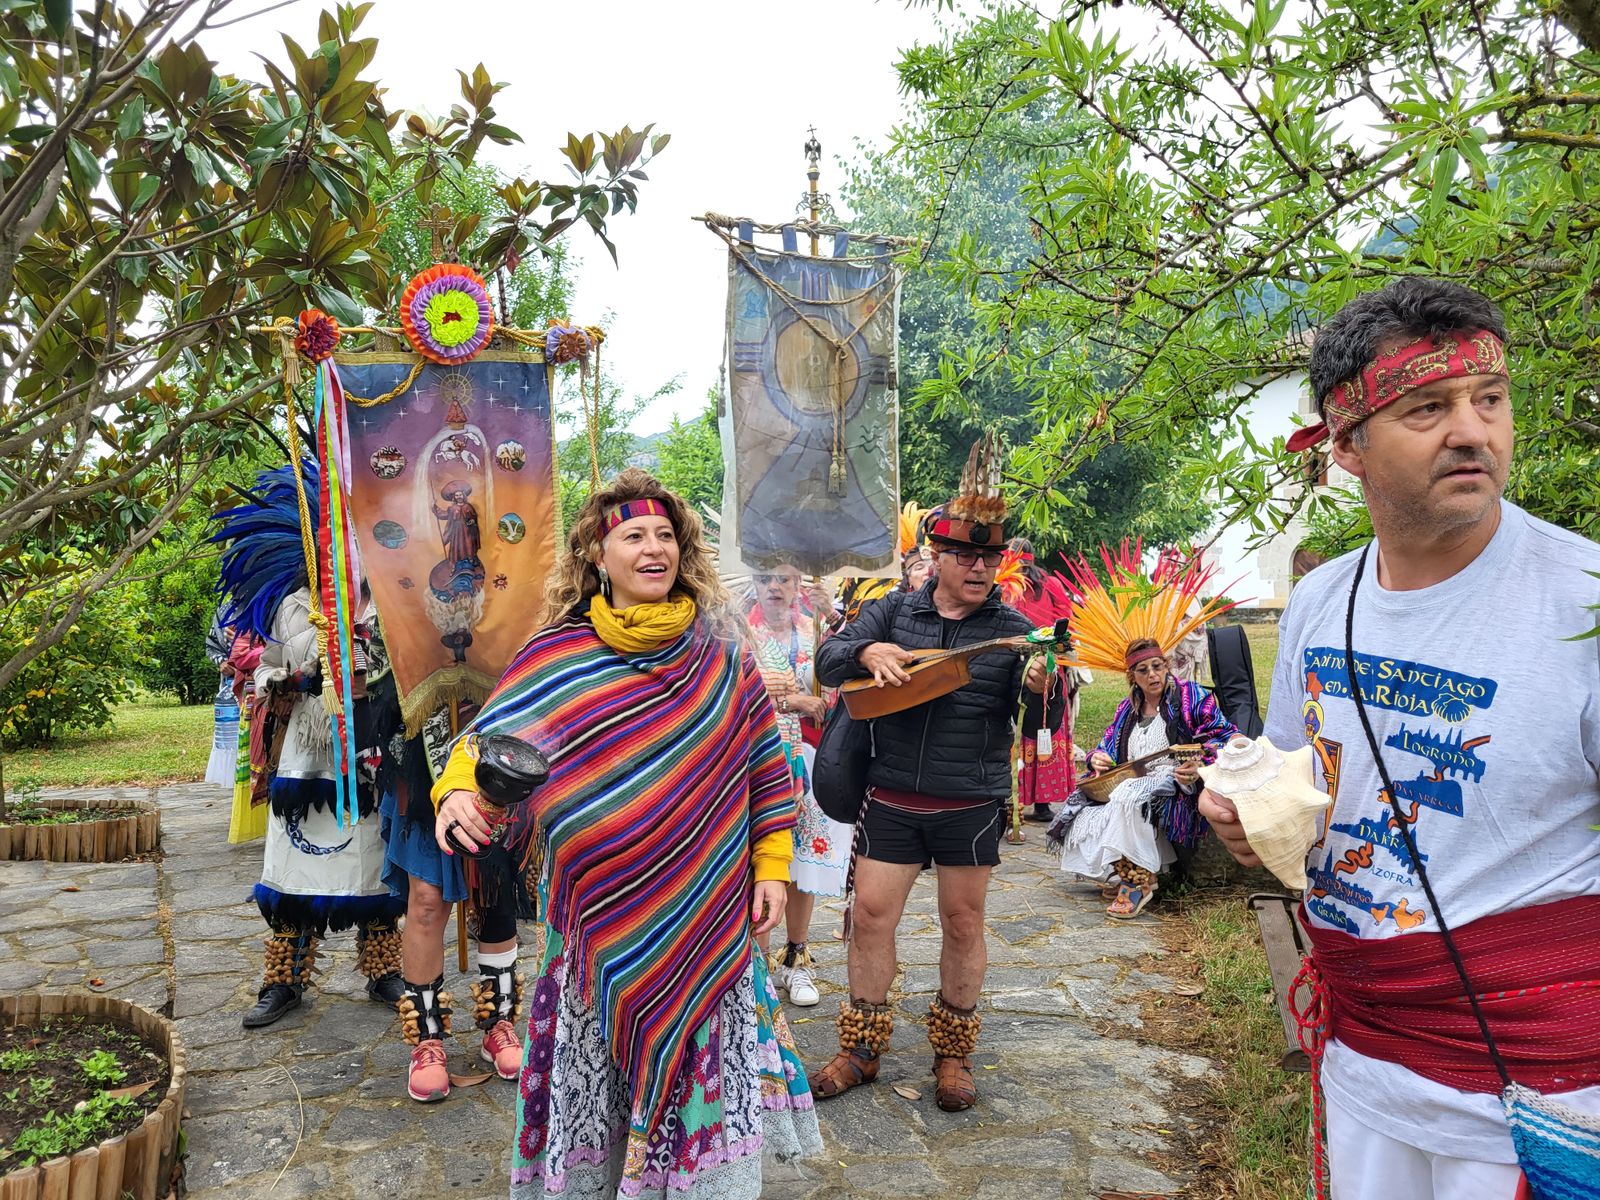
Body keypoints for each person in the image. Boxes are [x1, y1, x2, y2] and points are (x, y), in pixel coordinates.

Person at [1199, 278, 1600, 1198]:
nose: (1473, 431)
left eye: (1489, 400)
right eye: (1427, 407)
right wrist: (1250, 819)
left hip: (1543, 1095)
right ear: (1346, 446)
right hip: (1363, 1063)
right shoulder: (1317, 601)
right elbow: (1302, 788)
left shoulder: (1583, 603)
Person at [431, 469, 821, 1199]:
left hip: (708, 916)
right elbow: (487, 744)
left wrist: (771, 865)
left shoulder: (720, 654)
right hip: (599, 935)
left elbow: (767, 768)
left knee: (702, 1063)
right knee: (601, 1077)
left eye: (665, 536)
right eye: (633, 535)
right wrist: (459, 789)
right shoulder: (560, 656)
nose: (653, 549)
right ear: (597, 557)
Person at [808, 444, 1060, 1112]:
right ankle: (860, 1047)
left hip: (970, 802)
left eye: (990, 559)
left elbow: (1047, 720)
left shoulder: (1013, 632)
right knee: (869, 916)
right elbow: (829, 659)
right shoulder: (893, 612)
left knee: (963, 921)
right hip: (890, 796)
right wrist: (866, 648)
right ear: (938, 559)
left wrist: (1043, 685)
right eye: (966, 557)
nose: (980, 568)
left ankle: (953, 1053)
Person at [212, 462, 406, 1029]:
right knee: (295, 865)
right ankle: (284, 977)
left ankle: (383, 968)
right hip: (305, 753)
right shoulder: (293, 605)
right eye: (334, 538)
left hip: (369, 751)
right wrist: (296, 681)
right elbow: (261, 671)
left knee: (371, 858)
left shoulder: (391, 603)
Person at [372, 669, 525, 1103]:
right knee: (426, 901)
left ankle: (498, 1024)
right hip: (423, 743)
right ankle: (427, 1039)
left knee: (495, 892)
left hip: (496, 731)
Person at [1049, 637, 1234, 918]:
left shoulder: (1190, 697)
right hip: (1134, 781)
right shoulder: (1127, 708)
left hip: (1176, 784)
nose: (1152, 675)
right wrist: (1096, 757)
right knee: (1084, 809)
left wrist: (1200, 763)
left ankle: (1137, 882)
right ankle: (1121, 870)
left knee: (1127, 795)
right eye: (1143, 670)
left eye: (1157, 666)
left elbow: (1226, 737)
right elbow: (1106, 746)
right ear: (1132, 676)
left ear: (1167, 666)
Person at [747, 564, 850, 1008]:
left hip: (811, 753)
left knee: (806, 856)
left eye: (785, 579)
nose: (775, 587)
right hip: (755, 756)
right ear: (753, 584)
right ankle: (759, 962)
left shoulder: (815, 629)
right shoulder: (738, 633)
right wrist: (792, 700)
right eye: (765, 578)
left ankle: (798, 956)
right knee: (765, 857)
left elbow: (838, 687)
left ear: (797, 585)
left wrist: (833, 626)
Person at [1002, 537, 1079, 823]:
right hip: (1047, 665)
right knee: (1048, 724)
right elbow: (1066, 619)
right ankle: (1044, 803)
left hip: (1013, 665)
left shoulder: (1007, 585)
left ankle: (1012, 801)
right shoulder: (1050, 583)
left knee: (1017, 727)